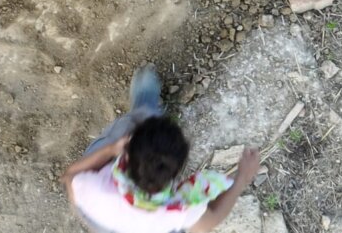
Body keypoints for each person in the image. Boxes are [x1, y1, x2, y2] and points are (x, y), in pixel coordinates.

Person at [62, 66, 261, 233]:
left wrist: (111, 150)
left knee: (126, 126)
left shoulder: (90, 190)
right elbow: (212, 220)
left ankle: (144, 109)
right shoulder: (178, 212)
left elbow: (70, 176)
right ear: (176, 174)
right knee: (147, 117)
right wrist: (242, 178)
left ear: (128, 152)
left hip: (101, 219)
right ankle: (147, 108)